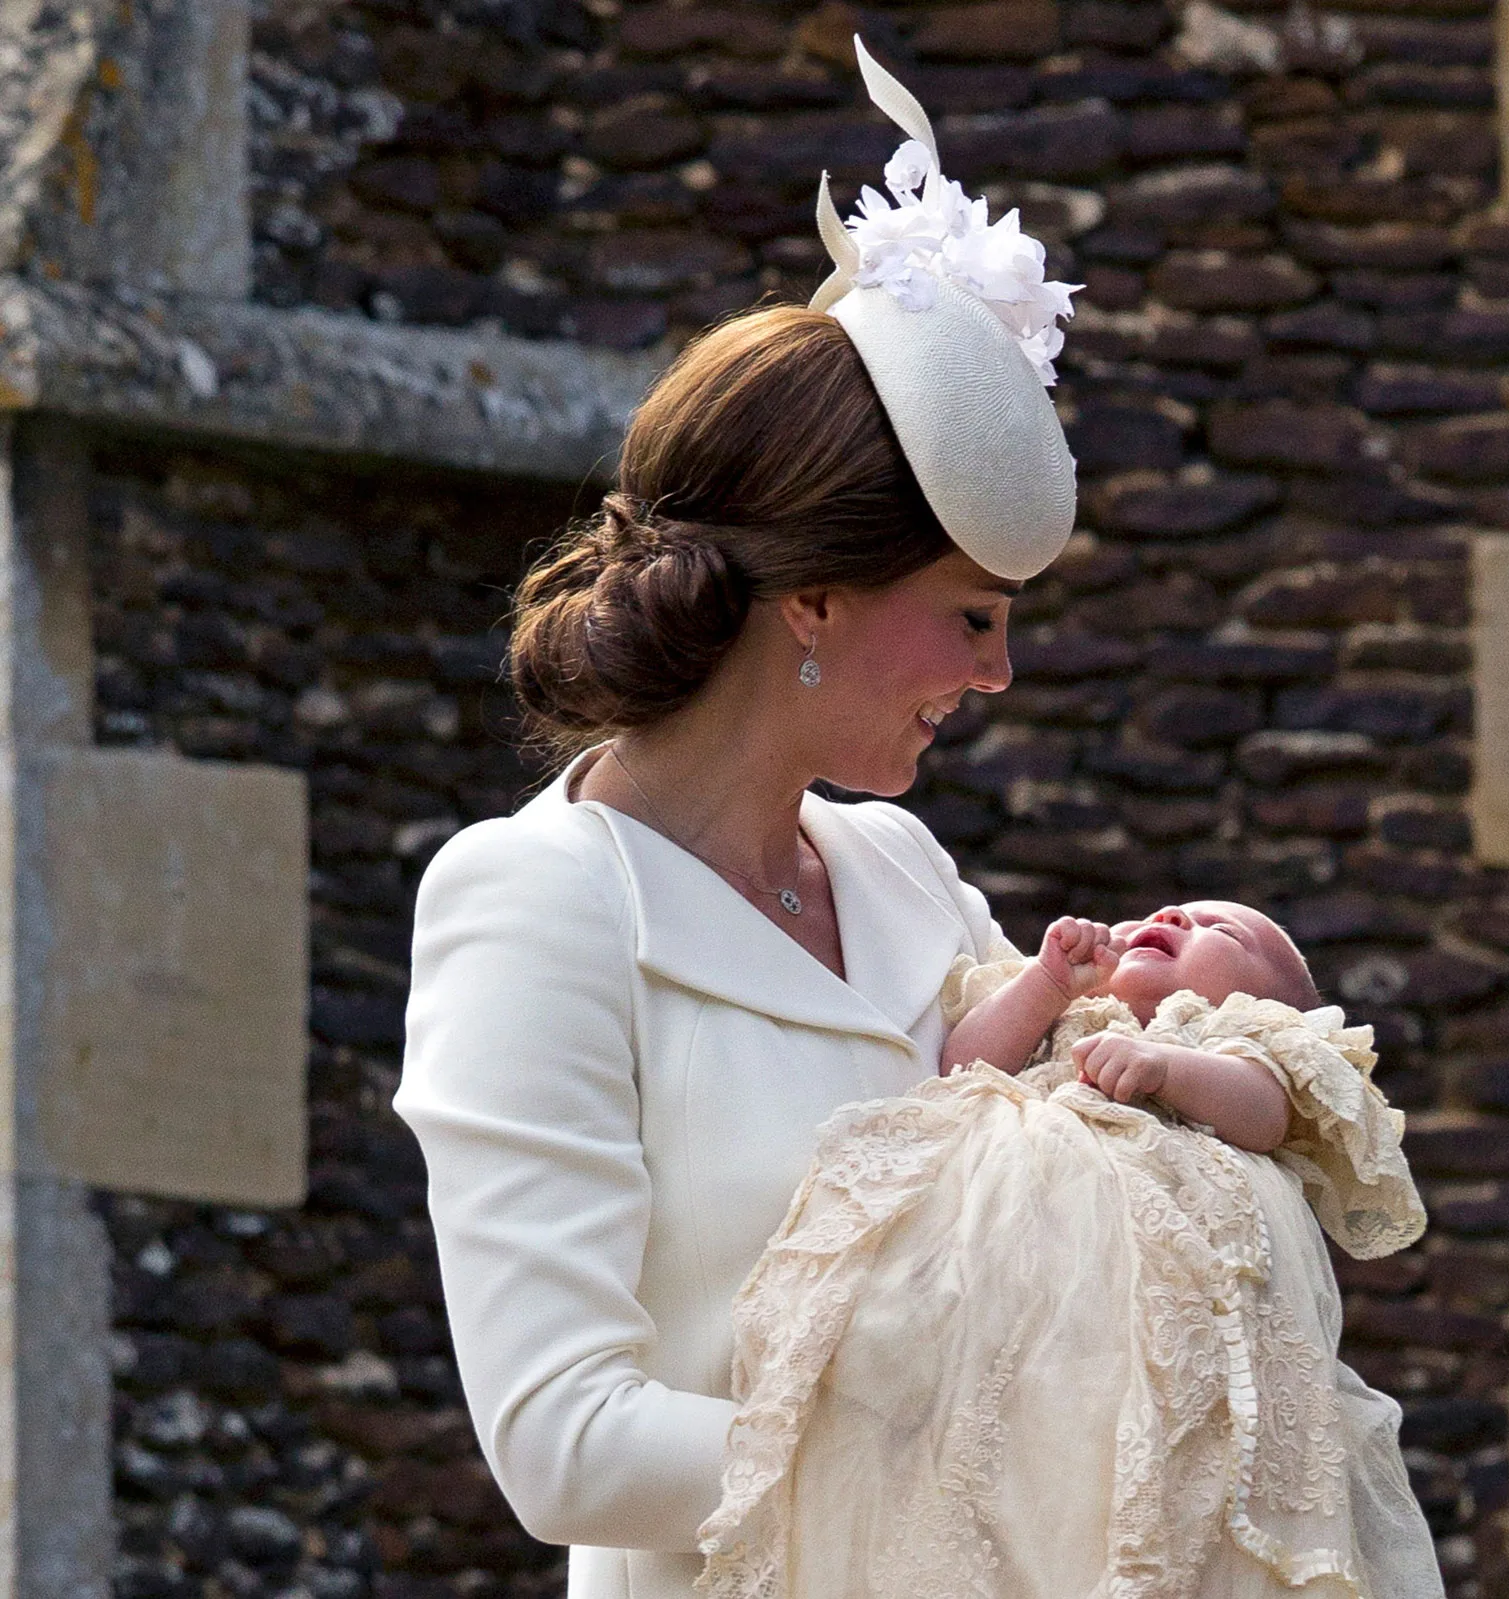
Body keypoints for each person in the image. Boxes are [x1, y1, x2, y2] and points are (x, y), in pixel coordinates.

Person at [396, 42, 1080, 1599]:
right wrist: (964, 1436)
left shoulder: (903, 870)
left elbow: (1061, 1188)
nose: (1000, 672)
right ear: (818, 601)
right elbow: (564, 1438)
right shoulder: (535, 900)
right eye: (970, 621)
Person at [696, 906, 1443, 1599]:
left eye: (1225, 931)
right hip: (1003, 1294)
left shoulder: (1231, 1042)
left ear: (1269, 1001)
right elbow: (958, 1063)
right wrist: (1045, 984)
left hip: (1137, 1311)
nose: (1172, 916)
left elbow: (1264, 1111)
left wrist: (1167, 1068)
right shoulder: (1068, 1015)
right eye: (1155, 912)